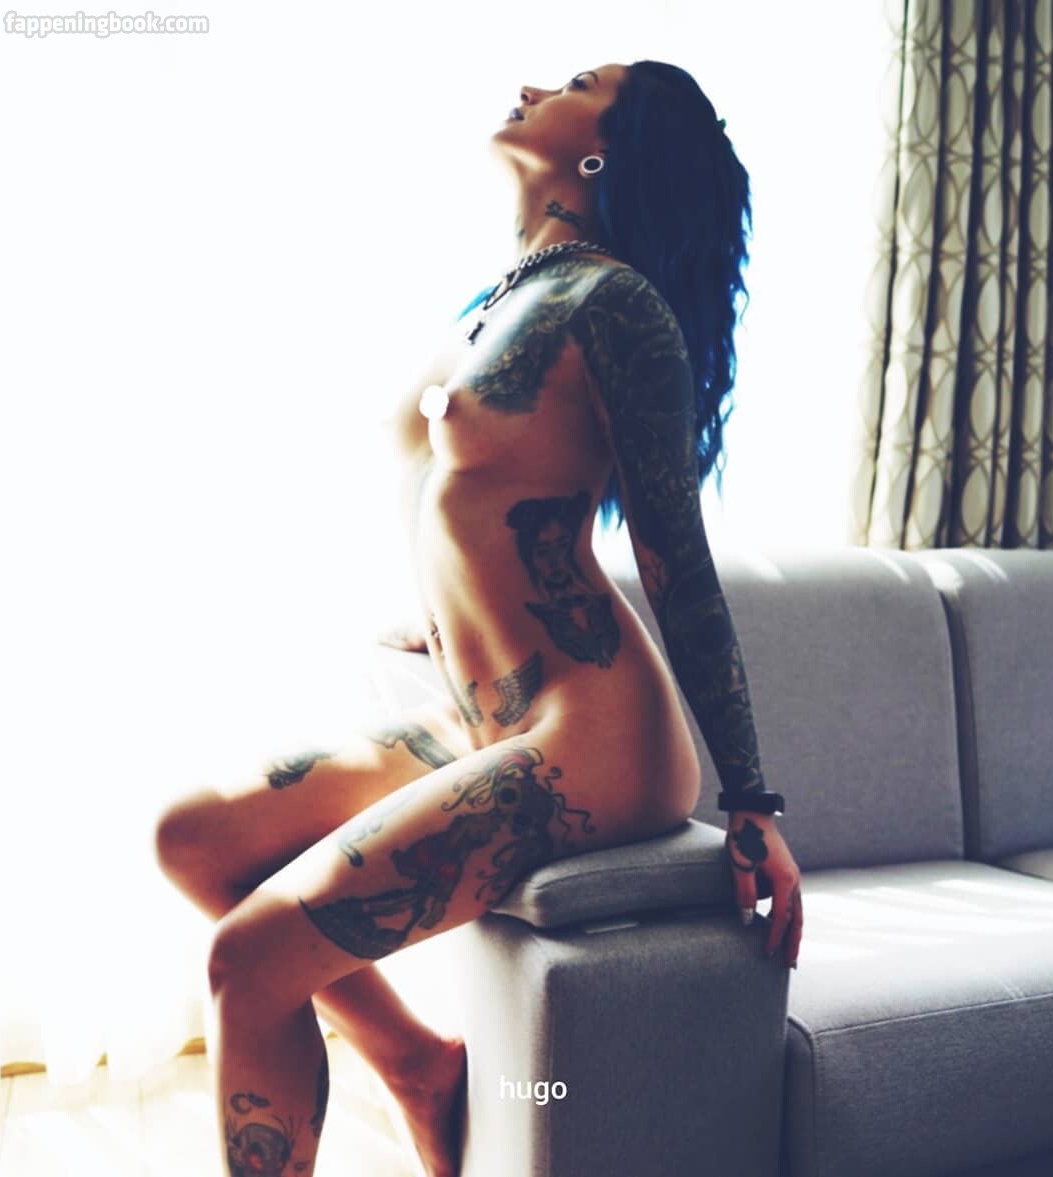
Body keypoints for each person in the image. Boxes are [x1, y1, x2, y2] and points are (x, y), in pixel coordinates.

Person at [152, 59, 803, 1177]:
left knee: (249, 960)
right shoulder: (505, 300)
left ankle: (412, 1077)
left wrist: (753, 800)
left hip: (593, 737)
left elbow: (675, 559)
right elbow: (467, 497)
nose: (536, 85)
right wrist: (442, 613)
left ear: (606, 151)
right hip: (484, 715)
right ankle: (419, 1065)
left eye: (577, 82)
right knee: (195, 838)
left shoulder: (619, 305)